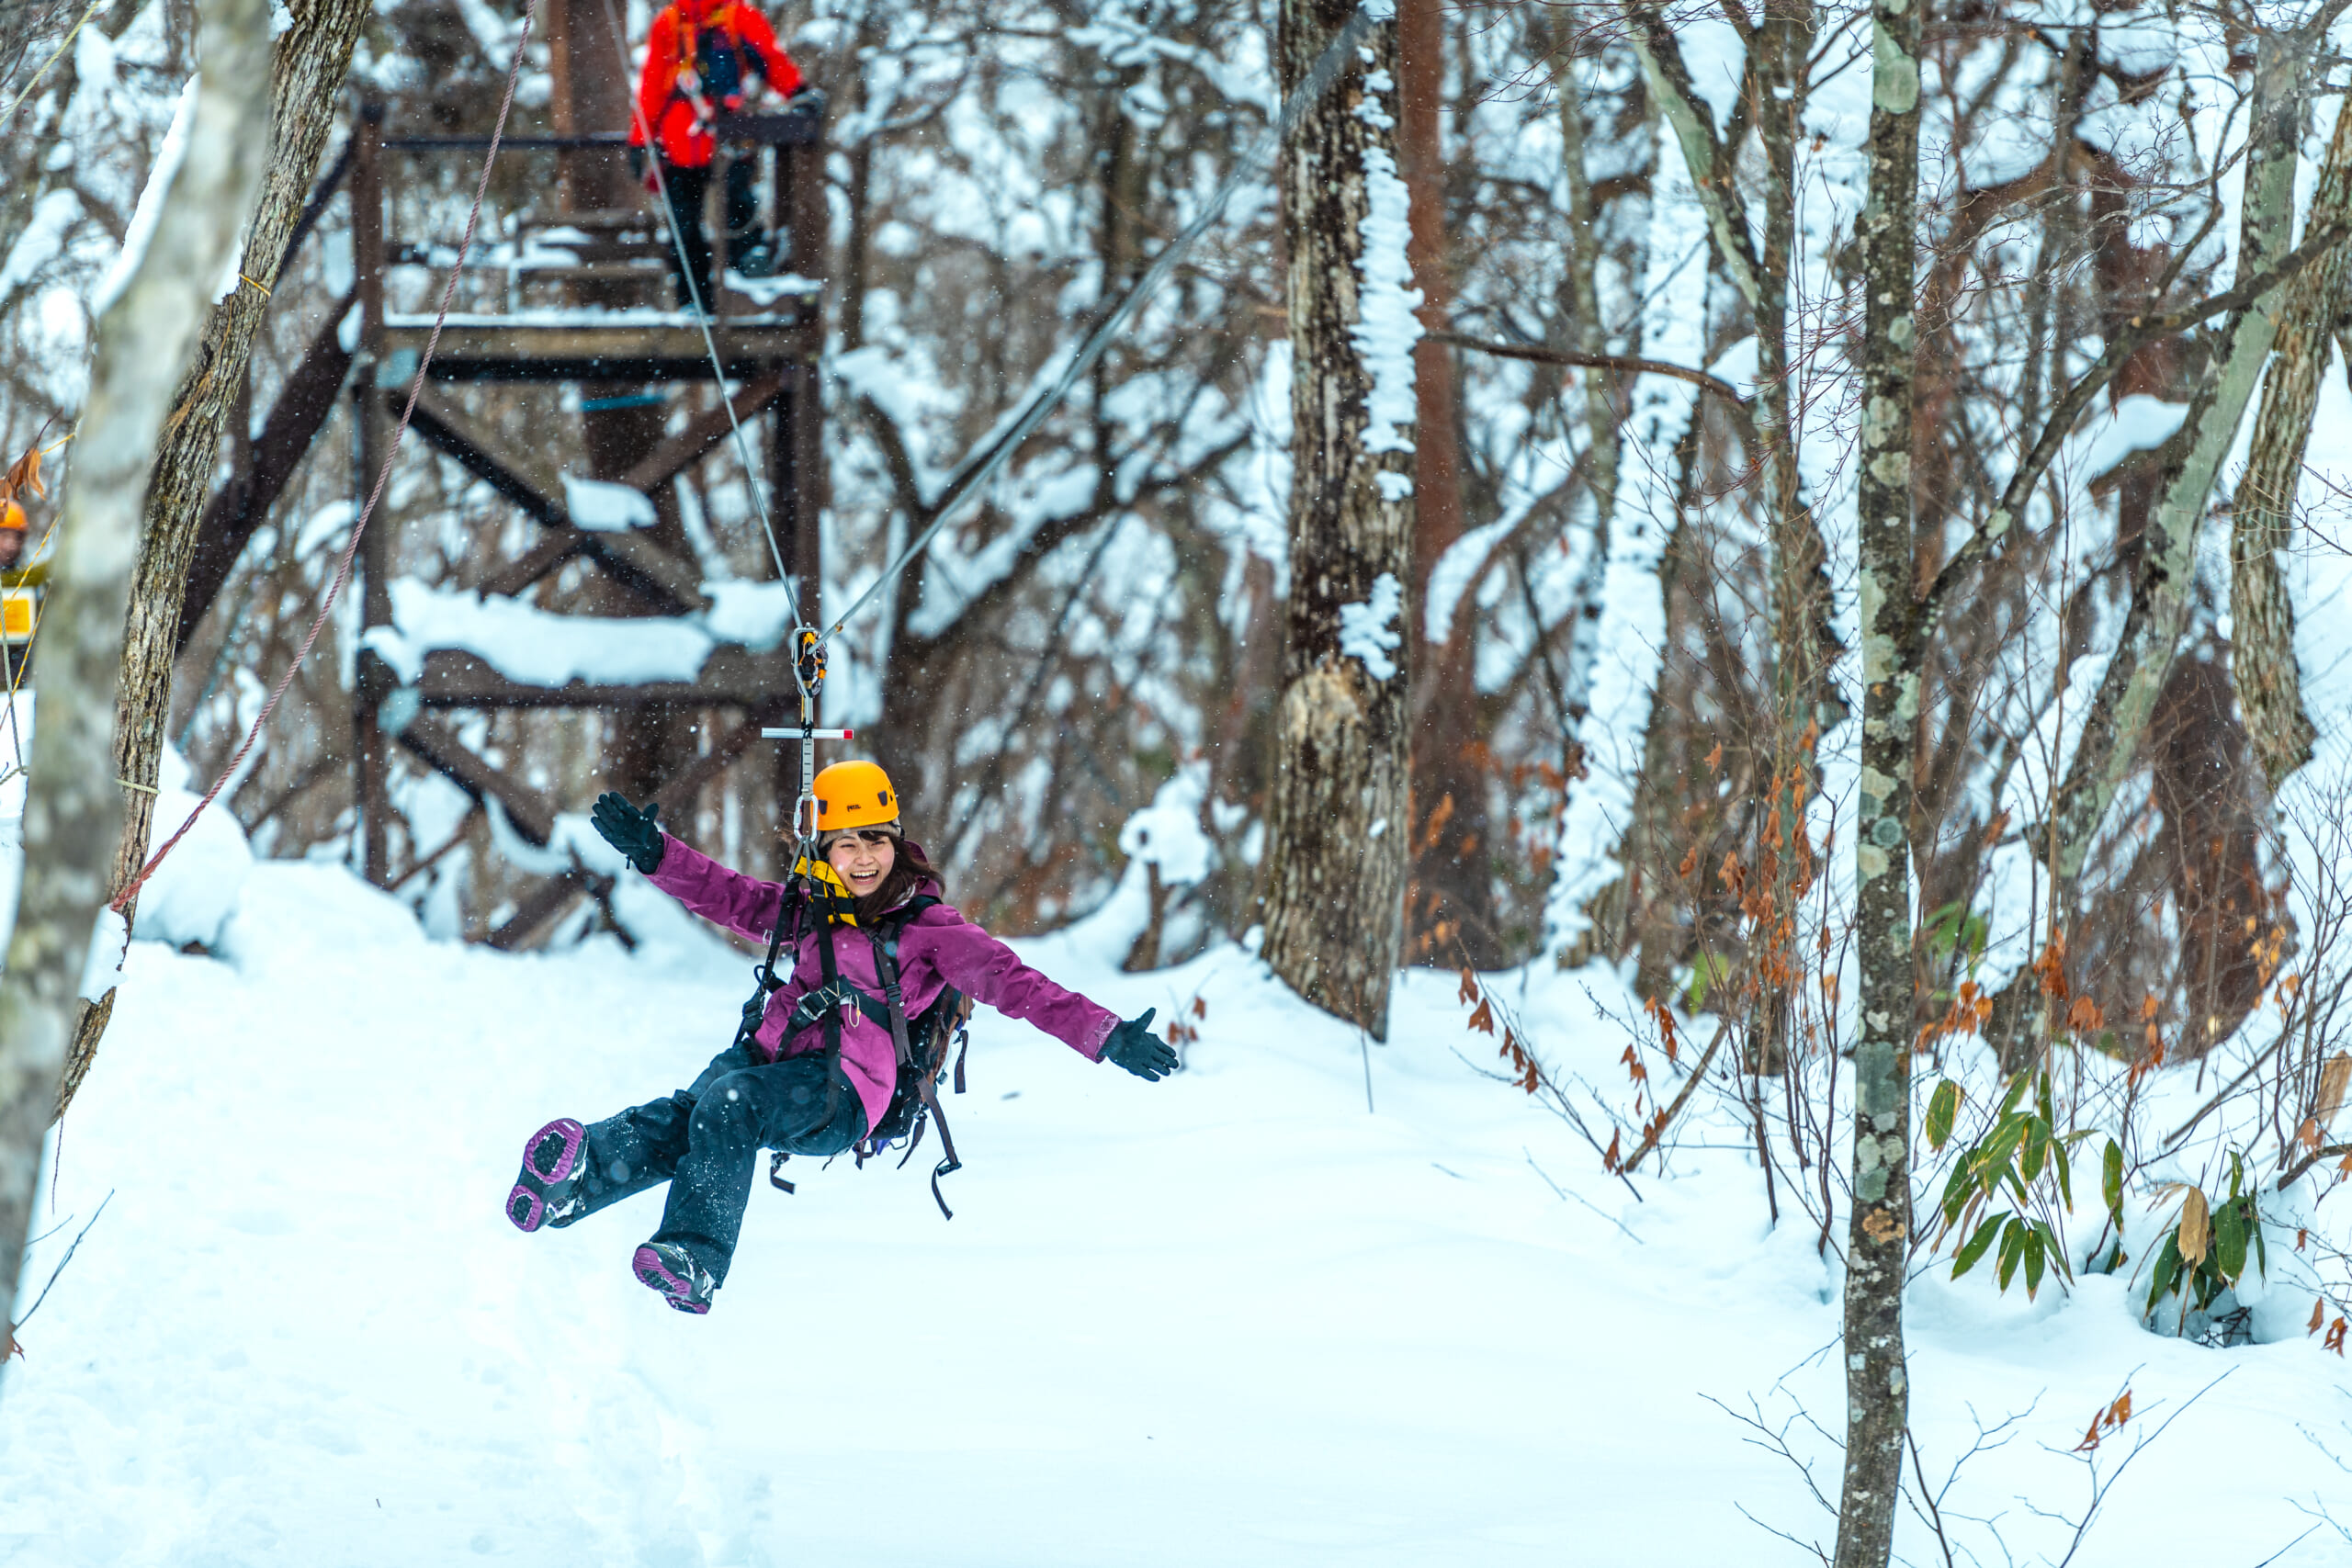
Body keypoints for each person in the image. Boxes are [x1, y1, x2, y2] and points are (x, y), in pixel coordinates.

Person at [506, 759, 1180, 1314]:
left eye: (877, 840)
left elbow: (1018, 984)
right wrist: (655, 852)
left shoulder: (928, 927)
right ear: (824, 850)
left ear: (897, 842)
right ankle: (581, 1178)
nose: (865, 858)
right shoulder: (809, 908)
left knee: (730, 1104)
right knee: (694, 1110)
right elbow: (730, 895)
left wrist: (1108, 1034)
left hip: (849, 1091)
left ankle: (696, 1259)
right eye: (847, 843)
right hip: (772, 1058)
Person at [626, 0, 817, 309]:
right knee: (685, 229)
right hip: (682, 142)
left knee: (734, 211)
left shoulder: (738, 17)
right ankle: (697, 304)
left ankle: (742, 293)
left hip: (725, 135)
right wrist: (639, 140)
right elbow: (652, 85)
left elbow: (769, 59)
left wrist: (798, 91)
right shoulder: (671, 23)